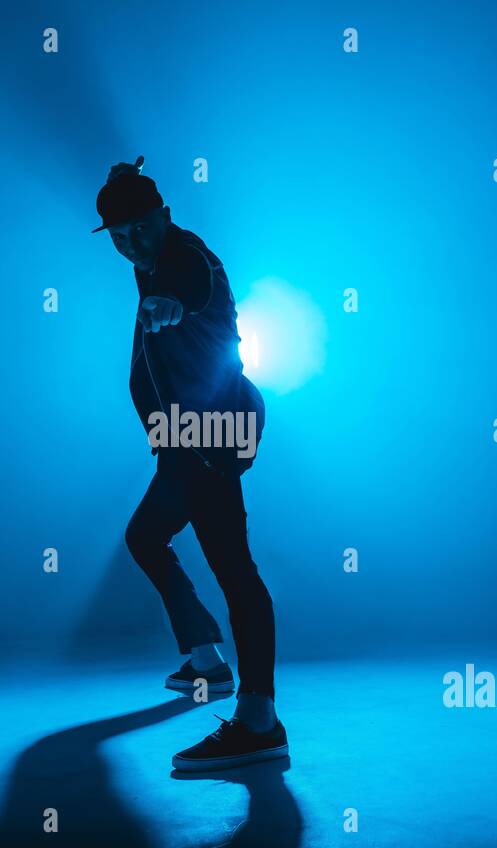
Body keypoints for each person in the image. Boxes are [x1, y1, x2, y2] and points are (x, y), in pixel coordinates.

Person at [92, 156, 287, 771]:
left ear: (166, 216)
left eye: (141, 229)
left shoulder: (182, 260)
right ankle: (208, 661)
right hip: (185, 438)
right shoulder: (150, 256)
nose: (131, 245)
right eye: (119, 237)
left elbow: (188, 289)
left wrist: (167, 307)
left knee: (235, 568)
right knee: (146, 536)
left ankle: (259, 721)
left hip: (208, 437)